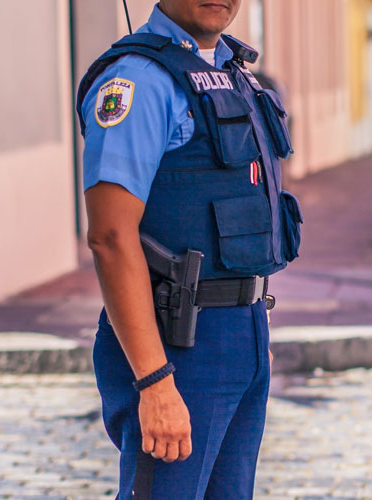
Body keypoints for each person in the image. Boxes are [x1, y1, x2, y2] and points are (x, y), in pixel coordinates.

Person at [75, 1, 302, 499]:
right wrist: (154, 380)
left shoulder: (231, 73)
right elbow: (111, 238)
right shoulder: (137, 81)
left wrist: (248, 334)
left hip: (241, 331)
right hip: (178, 341)